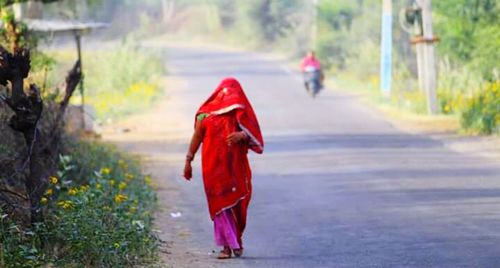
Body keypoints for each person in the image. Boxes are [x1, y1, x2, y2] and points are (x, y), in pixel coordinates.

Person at [183, 77, 264, 259]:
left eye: (233, 91)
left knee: (237, 205)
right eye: (226, 91)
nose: (229, 95)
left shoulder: (239, 114)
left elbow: (255, 136)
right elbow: (197, 138)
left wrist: (242, 135)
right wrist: (188, 160)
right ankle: (226, 247)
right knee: (220, 206)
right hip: (212, 169)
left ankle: (237, 241)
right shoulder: (205, 115)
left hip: (235, 168)